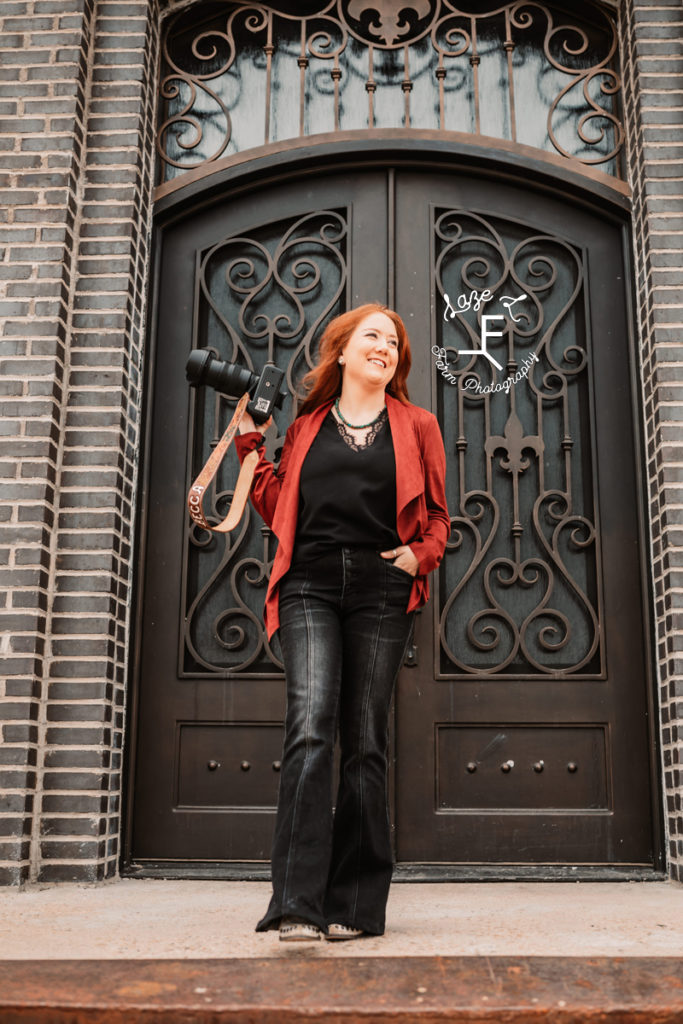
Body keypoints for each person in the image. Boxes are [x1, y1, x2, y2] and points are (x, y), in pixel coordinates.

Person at [234, 303, 450, 942]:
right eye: (373, 337)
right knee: (309, 726)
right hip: (309, 583)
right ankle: (297, 903)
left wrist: (421, 555)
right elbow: (277, 507)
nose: (385, 347)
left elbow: (438, 517)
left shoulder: (418, 425)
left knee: (364, 738)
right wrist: (251, 444)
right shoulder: (304, 427)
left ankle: (352, 905)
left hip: (383, 587)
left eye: (394, 342)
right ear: (344, 351)